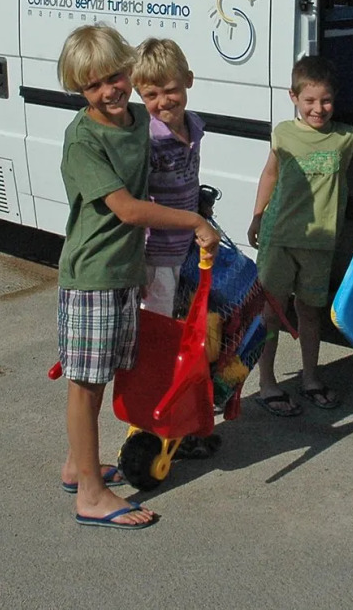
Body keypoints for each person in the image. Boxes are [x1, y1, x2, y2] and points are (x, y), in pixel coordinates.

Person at [54, 23, 220, 529]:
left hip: (125, 270)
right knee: (86, 383)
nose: (109, 90)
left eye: (115, 76)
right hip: (93, 274)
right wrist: (194, 220)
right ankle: (90, 493)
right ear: (78, 89)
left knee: (102, 378)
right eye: (94, 84)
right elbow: (126, 209)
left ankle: (75, 465)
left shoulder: (131, 121)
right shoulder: (84, 137)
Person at [247, 55, 353, 416]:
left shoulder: (344, 137)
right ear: (294, 98)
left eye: (326, 100)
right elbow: (270, 175)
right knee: (272, 313)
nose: (318, 109)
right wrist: (257, 216)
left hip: (320, 243)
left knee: (309, 313)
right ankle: (267, 382)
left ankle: (310, 378)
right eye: (310, 101)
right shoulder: (284, 134)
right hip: (280, 238)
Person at [131, 36, 222, 459]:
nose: (163, 101)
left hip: (185, 248)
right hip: (155, 255)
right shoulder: (146, 139)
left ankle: (179, 416)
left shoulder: (195, 126)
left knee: (187, 335)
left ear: (189, 80)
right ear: (139, 95)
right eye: (151, 94)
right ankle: (153, 426)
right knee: (161, 339)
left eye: (171, 89)